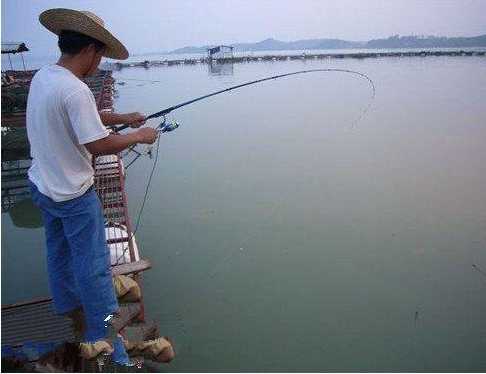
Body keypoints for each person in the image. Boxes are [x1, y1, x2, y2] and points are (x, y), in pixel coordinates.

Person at [26, 8, 157, 361]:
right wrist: (140, 135)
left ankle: (68, 306)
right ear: (90, 50)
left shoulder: (45, 77)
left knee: (58, 252)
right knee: (94, 268)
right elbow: (97, 144)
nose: (100, 63)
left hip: (42, 186)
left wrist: (123, 118)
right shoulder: (76, 90)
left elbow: (80, 118)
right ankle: (105, 339)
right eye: (100, 55)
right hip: (72, 195)